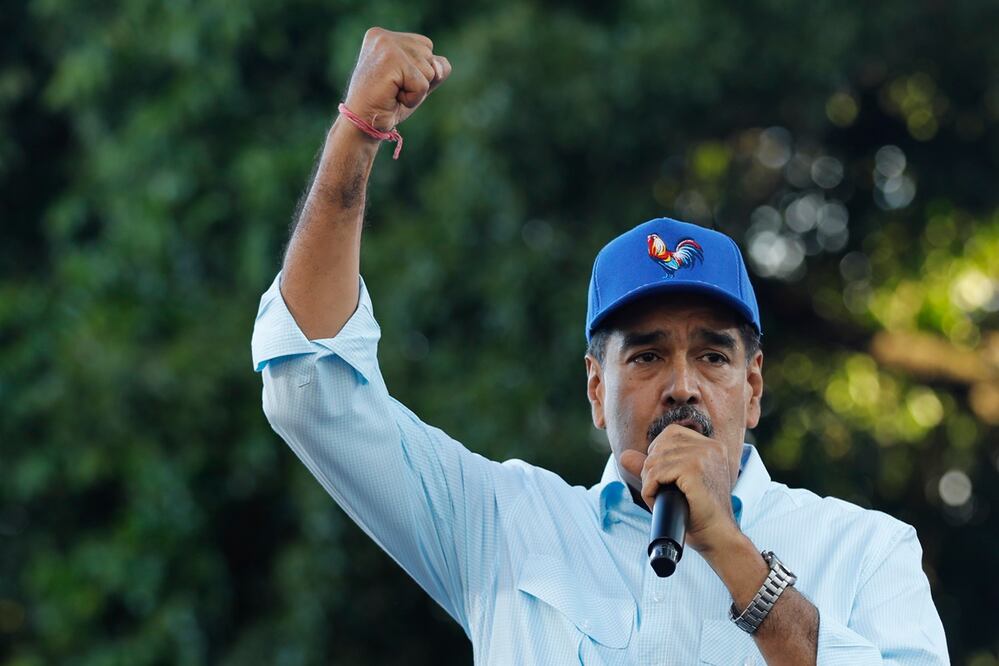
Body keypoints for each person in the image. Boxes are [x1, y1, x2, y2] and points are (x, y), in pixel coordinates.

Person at [251, 27, 949, 665]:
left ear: (754, 386)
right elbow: (311, 390)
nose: (682, 386)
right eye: (646, 356)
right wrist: (357, 133)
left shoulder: (865, 550)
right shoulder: (504, 529)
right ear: (595, 387)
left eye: (712, 356)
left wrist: (732, 554)